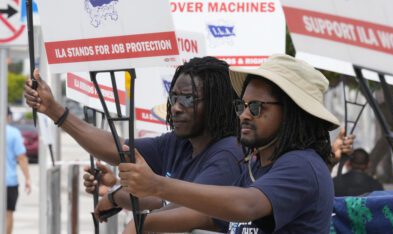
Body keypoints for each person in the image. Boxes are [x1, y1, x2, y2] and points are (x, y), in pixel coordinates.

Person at [118, 54, 341, 233]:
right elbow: (216, 217)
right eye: (241, 105)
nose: (244, 115)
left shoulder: (302, 165)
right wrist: (145, 223)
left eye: (256, 107)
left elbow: (246, 205)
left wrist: (157, 185)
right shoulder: (256, 167)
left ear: (292, 113)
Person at [24, 56, 243, 233]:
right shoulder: (179, 143)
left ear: (217, 103)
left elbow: (193, 209)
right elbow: (118, 148)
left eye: (187, 98)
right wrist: (54, 110)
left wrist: (139, 223)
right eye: (173, 98)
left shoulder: (228, 154)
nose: (176, 107)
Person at [6, 107, 31, 234]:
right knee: (8, 213)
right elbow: (21, 157)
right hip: (9, 181)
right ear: (8, 117)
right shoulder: (13, 133)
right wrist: (27, 178)